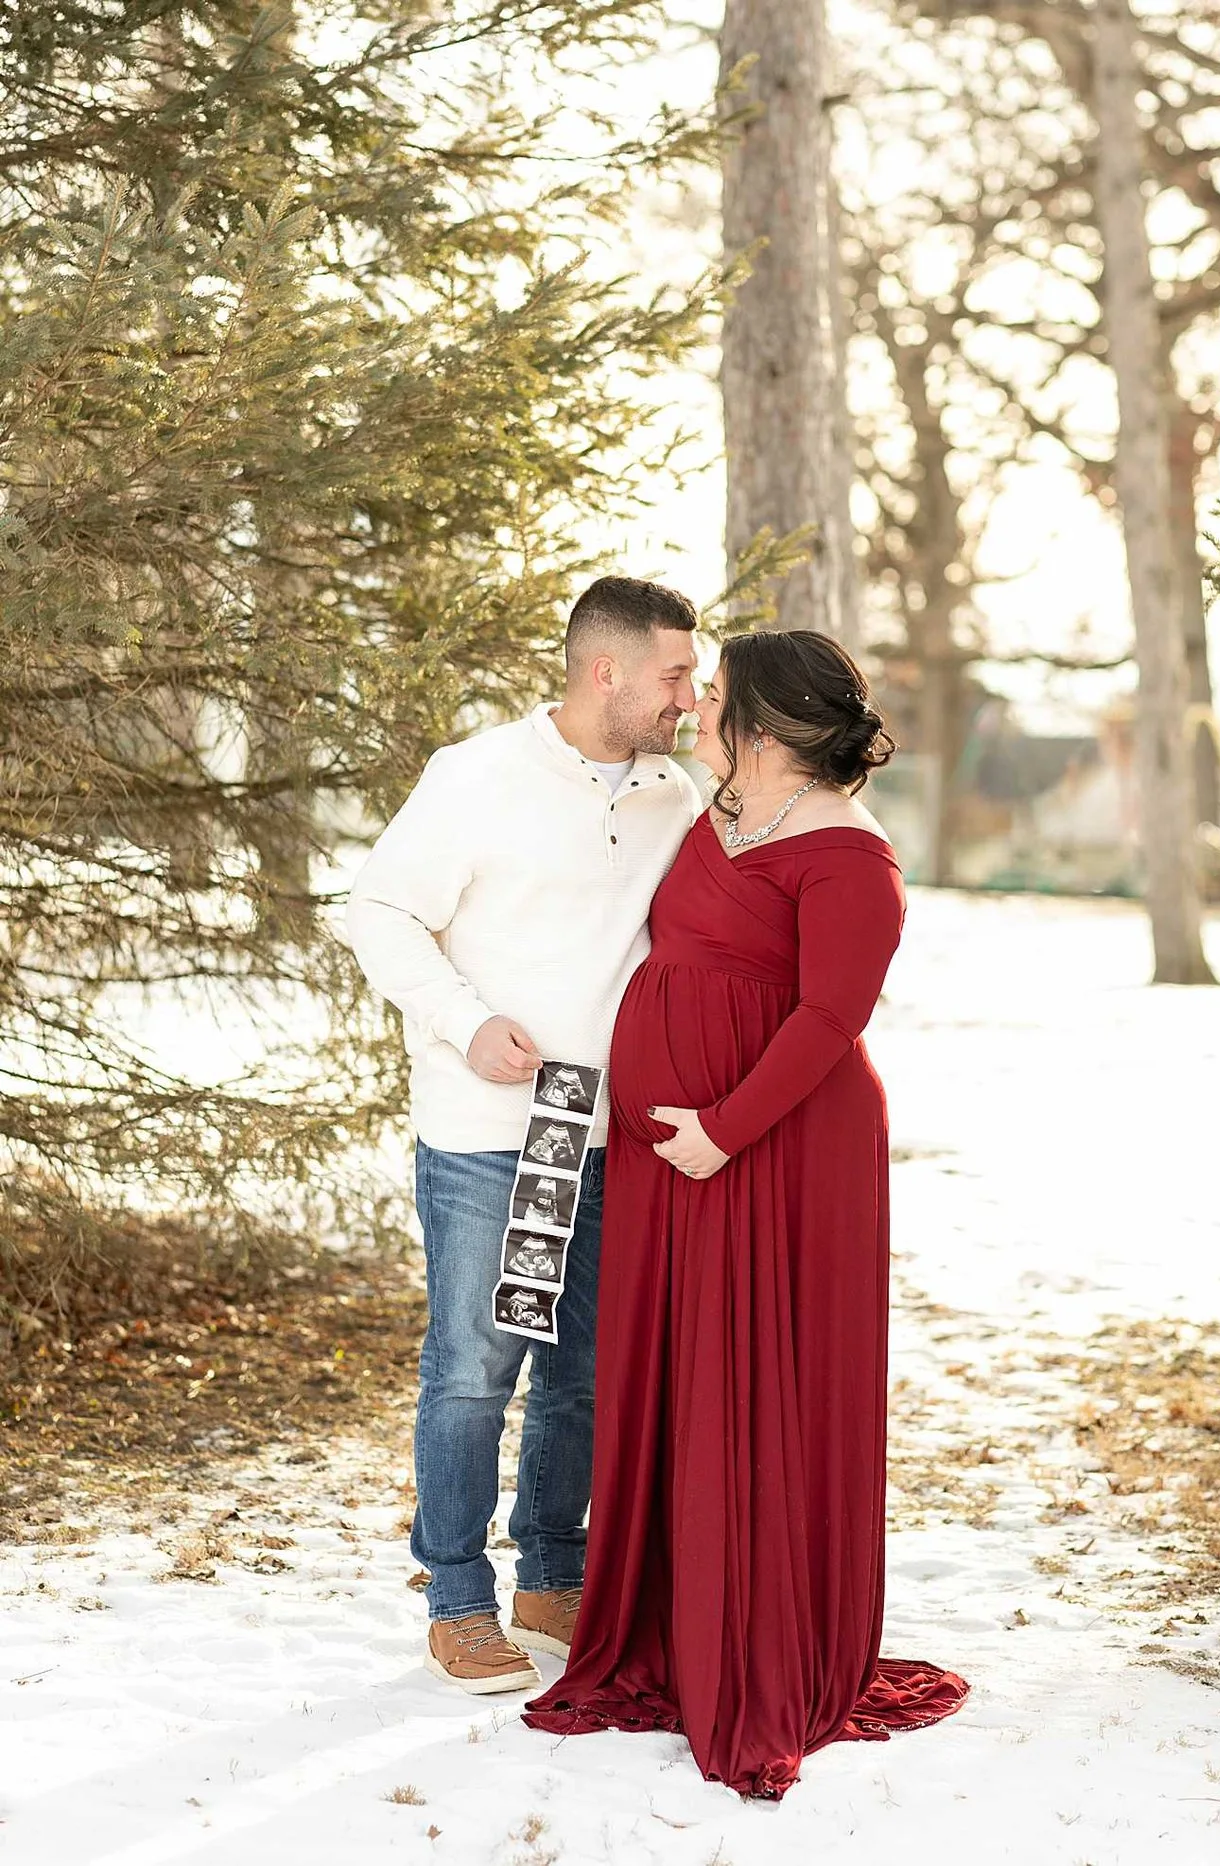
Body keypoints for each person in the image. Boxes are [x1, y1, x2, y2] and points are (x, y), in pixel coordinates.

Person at [521, 628, 967, 1798]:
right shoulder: (707, 814)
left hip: (774, 1151)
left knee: (755, 1382)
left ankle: (758, 1637)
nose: (700, 706)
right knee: (672, 1375)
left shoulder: (848, 856)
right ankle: (670, 1620)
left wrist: (726, 1128)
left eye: (716, 695)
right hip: (673, 1153)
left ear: (765, 725)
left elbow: (830, 1020)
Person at [344, 576, 705, 1695]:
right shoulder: (479, 776)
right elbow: (380, 912)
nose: (688, 697)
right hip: (489, 1131)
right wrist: (464, 1021)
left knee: (583, 1374)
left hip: (609, 1137)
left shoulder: (672, 795)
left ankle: (555, 1572)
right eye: (674, 676)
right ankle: (457, 1598)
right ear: (608, 672)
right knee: (471, 1370)